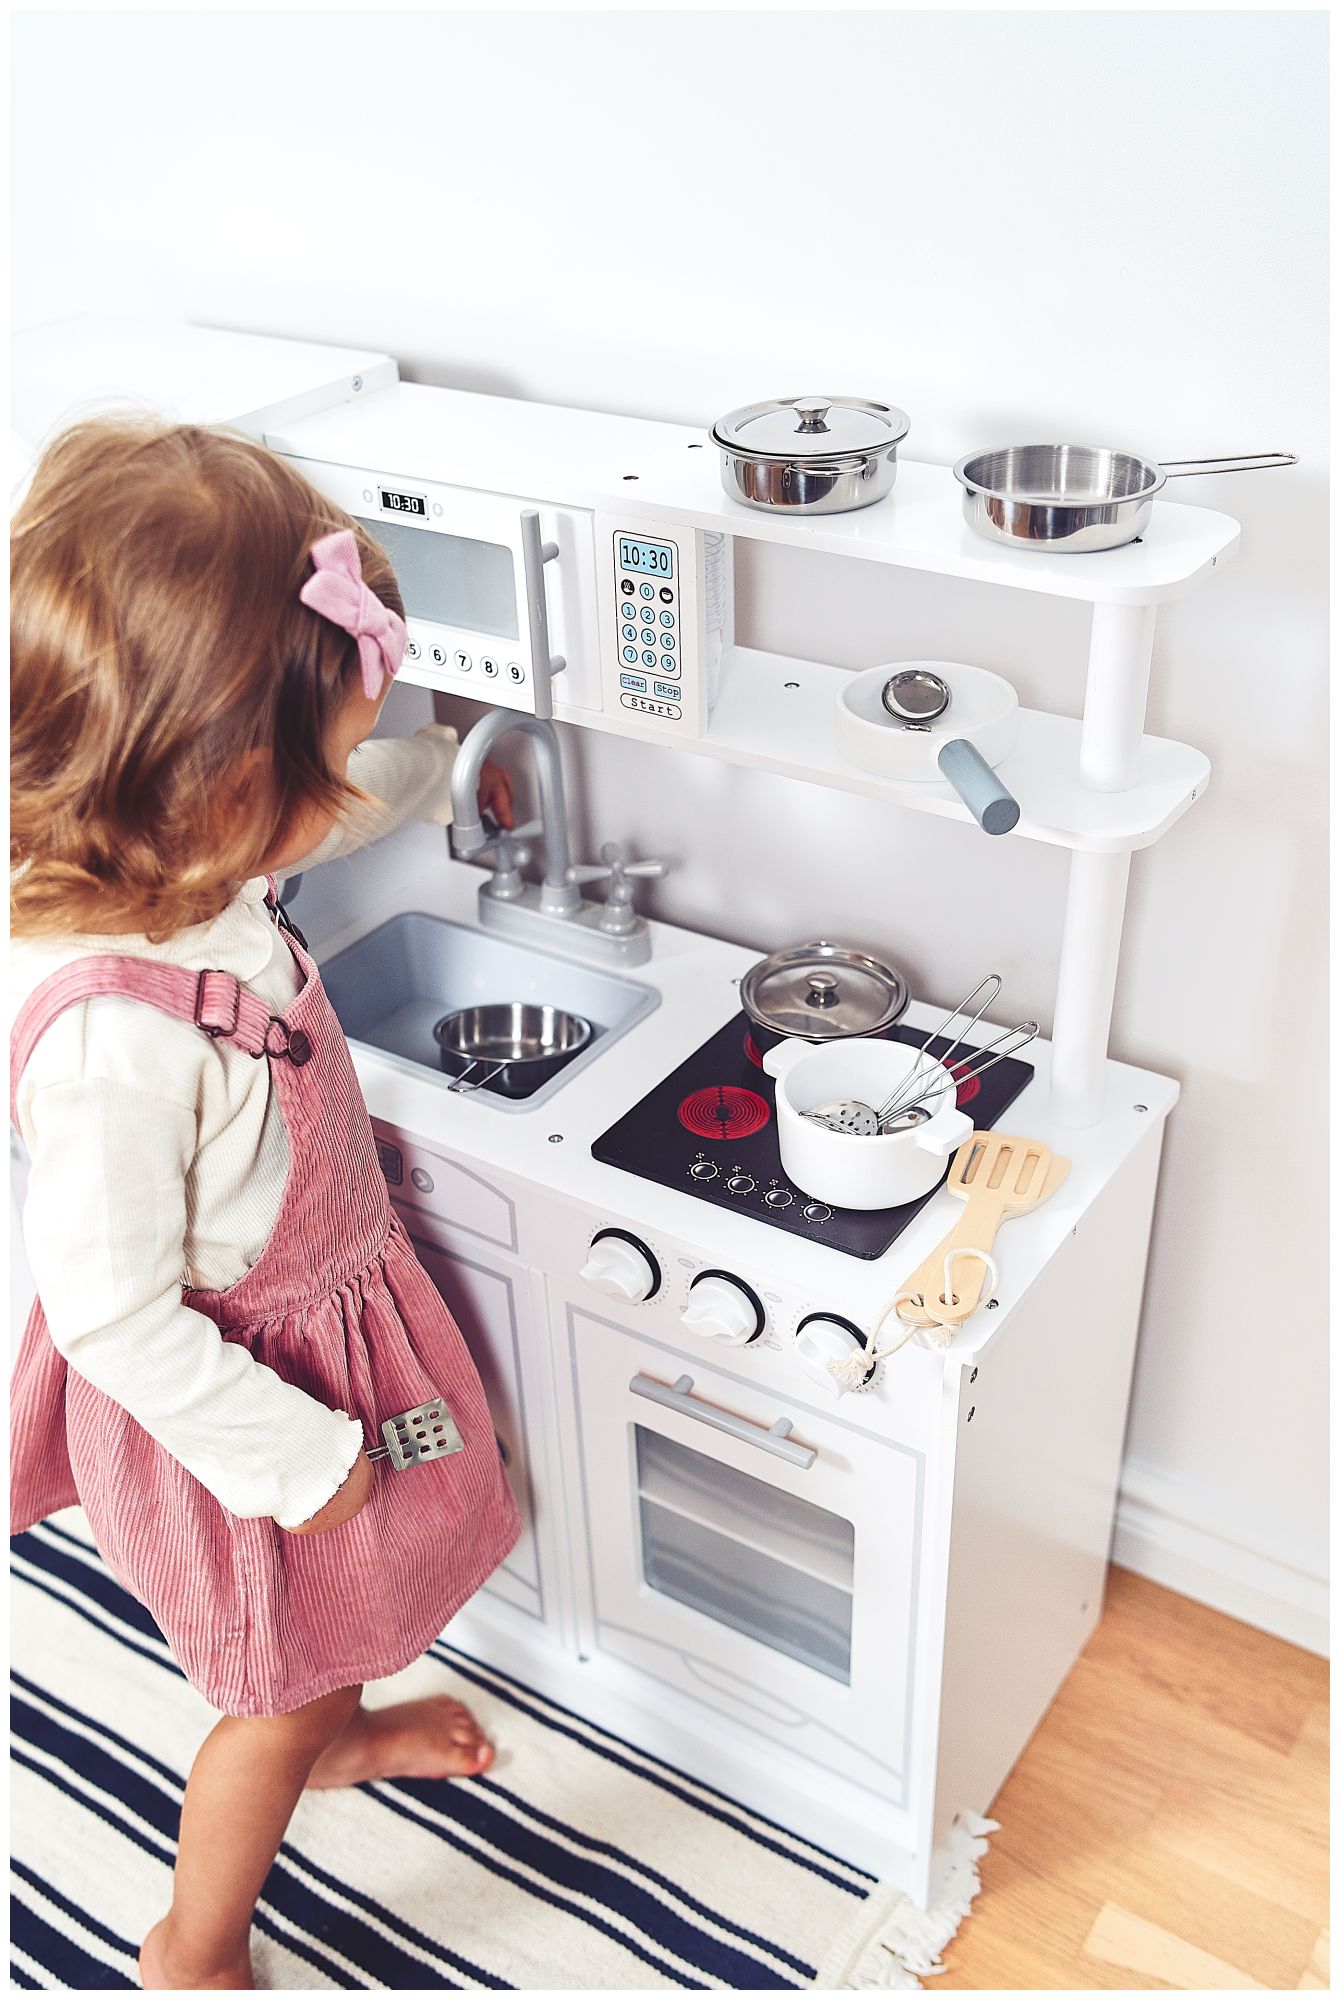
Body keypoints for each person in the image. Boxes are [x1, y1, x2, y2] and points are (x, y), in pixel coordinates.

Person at [9, 417, 523, 1989]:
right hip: (253, 1404)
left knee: (345, 1630)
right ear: (237, 796)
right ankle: (196, 1944)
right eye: (343, 762)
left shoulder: (182, 860)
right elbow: (107, 1314)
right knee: (272, 1689)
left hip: (332, 1310)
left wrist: (436, 751)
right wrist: (304, 1467)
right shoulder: (111, 1037)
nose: (355, 780)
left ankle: (345, 1726)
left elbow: (320, 810)